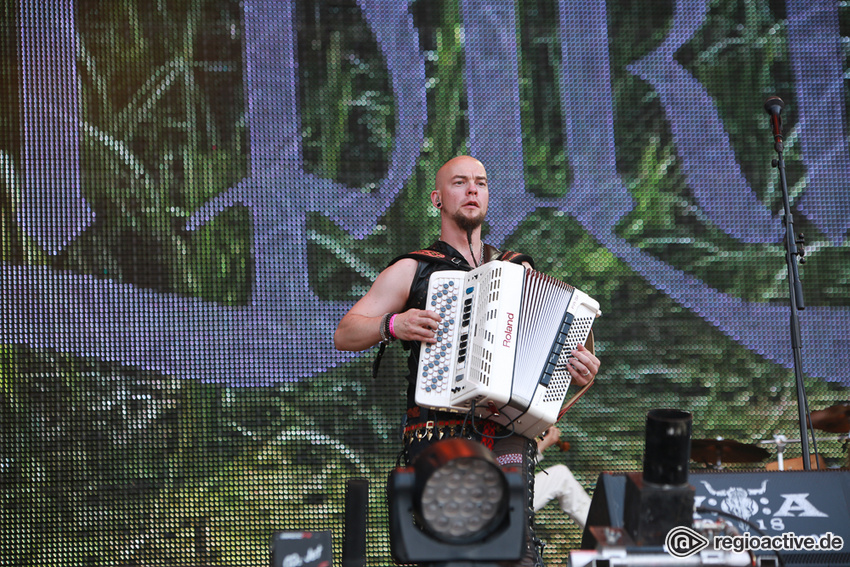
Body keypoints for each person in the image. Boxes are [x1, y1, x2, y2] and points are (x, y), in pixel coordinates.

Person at [334, 155, 601, 566]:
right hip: (438, 431)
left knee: (516, 547)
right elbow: (346, 332)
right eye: (460, 182)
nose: (472, 189)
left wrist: (581, 365)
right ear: (437, 198)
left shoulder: (517, 267)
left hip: (505, 426)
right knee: (450, 548)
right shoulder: (415, 269)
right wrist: (394, 324)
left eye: (480, 182)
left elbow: (560, 340)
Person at [534, 426, 592, 529]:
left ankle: (604, 533)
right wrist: (543, 444)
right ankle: (607, 536)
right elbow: (516, 467)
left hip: (507, 490)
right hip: (501, 498)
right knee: (560, 475)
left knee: (560, 474)